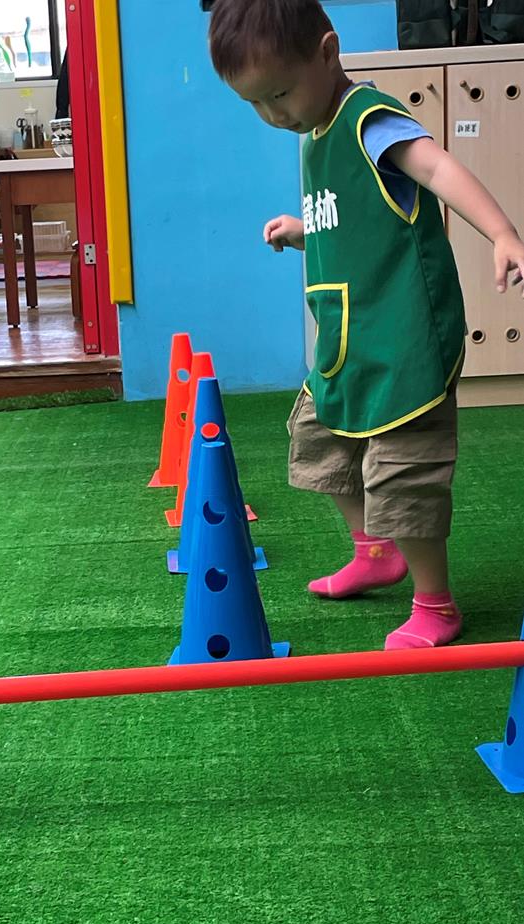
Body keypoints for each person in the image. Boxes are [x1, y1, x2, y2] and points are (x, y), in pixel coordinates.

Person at [208, 0, 524, 650]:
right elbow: (357, 214)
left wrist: (501, 233)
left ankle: (435, 603)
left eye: (280, 93)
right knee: (318, 440)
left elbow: (435, 168)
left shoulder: (368, 119)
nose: (273, 114)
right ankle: (374, 550)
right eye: (255, 103)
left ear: (327, 53)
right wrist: (304, 230)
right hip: (346, 340)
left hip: (403, 337)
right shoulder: (314, 134)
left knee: (404, 471)